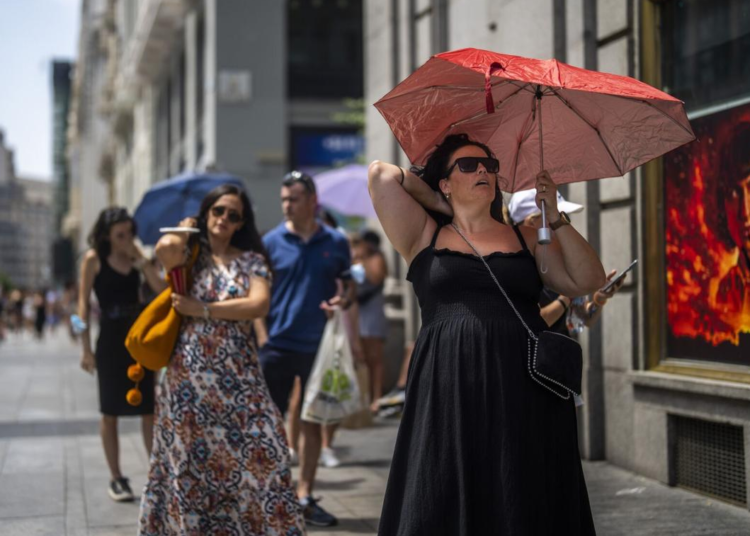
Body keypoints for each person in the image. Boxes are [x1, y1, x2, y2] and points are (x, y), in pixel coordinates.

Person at [368, 133, 606, 535]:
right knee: (443, 484)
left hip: (525, 387)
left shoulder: (526, 237)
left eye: (490, 166)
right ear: (444, 182)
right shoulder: (424, 235)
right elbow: (381, 175)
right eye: (468, 165)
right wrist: (442, 206)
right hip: (448, 386)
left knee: (522, 488)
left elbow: (587, 280)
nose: (483, 170)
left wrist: (557, 218)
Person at [138, 184, 306, 534]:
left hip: (240, 376)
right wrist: (188, 224)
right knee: (190, 463)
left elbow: (258, 304)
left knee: (268, 446)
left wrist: (204, 309)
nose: (224, 220)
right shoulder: (189, 255)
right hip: (188, 379)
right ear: (207, 213)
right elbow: (163, 247)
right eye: (218, 211)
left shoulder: (251, 260)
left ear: (241, 223)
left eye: (234, 215)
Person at [259, 170, 355, 527]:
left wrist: (341, 301)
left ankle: (304, 495)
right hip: (277, 345)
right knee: (268, 424)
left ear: (312, 202)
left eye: (293, 198)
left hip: (318, 346)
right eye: (284, 199)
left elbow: (347, 288)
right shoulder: (269, 242)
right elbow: (259, 293)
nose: (286, 205)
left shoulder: (336, 240)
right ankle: (272, 495)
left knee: (313, 420)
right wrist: (261, 336)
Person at [79, 207, 167, 502]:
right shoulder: (94, 260)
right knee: (110, 411)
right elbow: (80, 309)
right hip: (109, 339)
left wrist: (143, 263)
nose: (126, 238)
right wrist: (85, 348)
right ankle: (116, 477)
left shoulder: (137, 258)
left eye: (129, 233)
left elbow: (162, 290)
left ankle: (157, 474)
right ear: (106, 235)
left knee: (148, 409)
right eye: (120, 234)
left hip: (138, 338)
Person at [509, 189, 625, 332]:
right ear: (531, 221)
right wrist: (568, 296)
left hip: (560, 352)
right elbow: (533, 323)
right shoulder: (513, 266)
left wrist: (599, 299)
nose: (560, 226)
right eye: (553, 217)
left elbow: (580, 320)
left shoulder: (556, 259)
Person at [351, 230, 388, 412]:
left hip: (372, 311)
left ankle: (376, 396)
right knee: (361, 357)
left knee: (375, 357)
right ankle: (364, 397)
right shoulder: (355, 257)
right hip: (358, 312)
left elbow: (376, 278)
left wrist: (363, 261)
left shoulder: (376, 258)